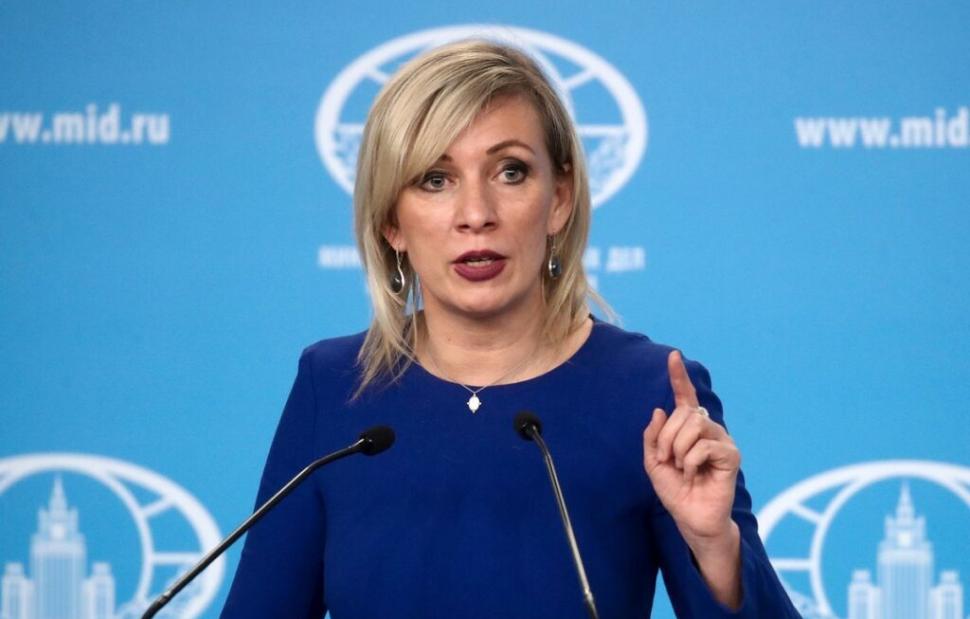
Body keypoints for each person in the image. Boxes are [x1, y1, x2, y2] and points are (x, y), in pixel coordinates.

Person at [221, 40, 800, 618]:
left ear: (559, 200)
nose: (476, 213)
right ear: (391, 221)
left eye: (510, 172)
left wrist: (714, 546)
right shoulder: (335, 385)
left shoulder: (650, 392)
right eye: (435, 179)